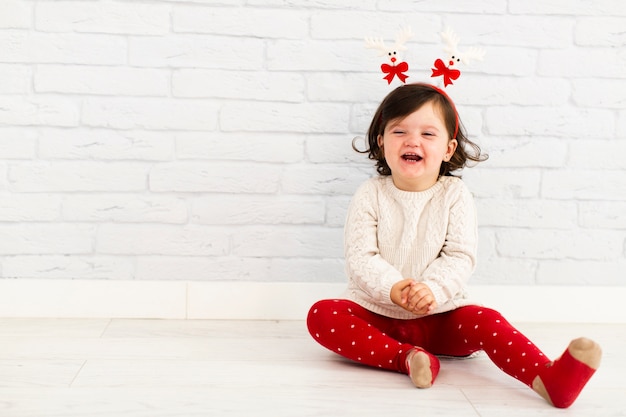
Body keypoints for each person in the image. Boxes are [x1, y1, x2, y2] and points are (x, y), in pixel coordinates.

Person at [306, 83, 601, 408]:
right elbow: (361, 256)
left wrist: (431, 289)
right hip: (378, 313)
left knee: (488, 320)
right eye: (399, 130)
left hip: (440, 317)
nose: (412, 140)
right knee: (322, 315)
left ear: (448, 149)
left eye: (428, 134)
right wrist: (395, 288)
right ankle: (406, 359)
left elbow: (459, 256)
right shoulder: (370, 193)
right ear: (381, 142)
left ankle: (548, 378)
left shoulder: (454, 194)